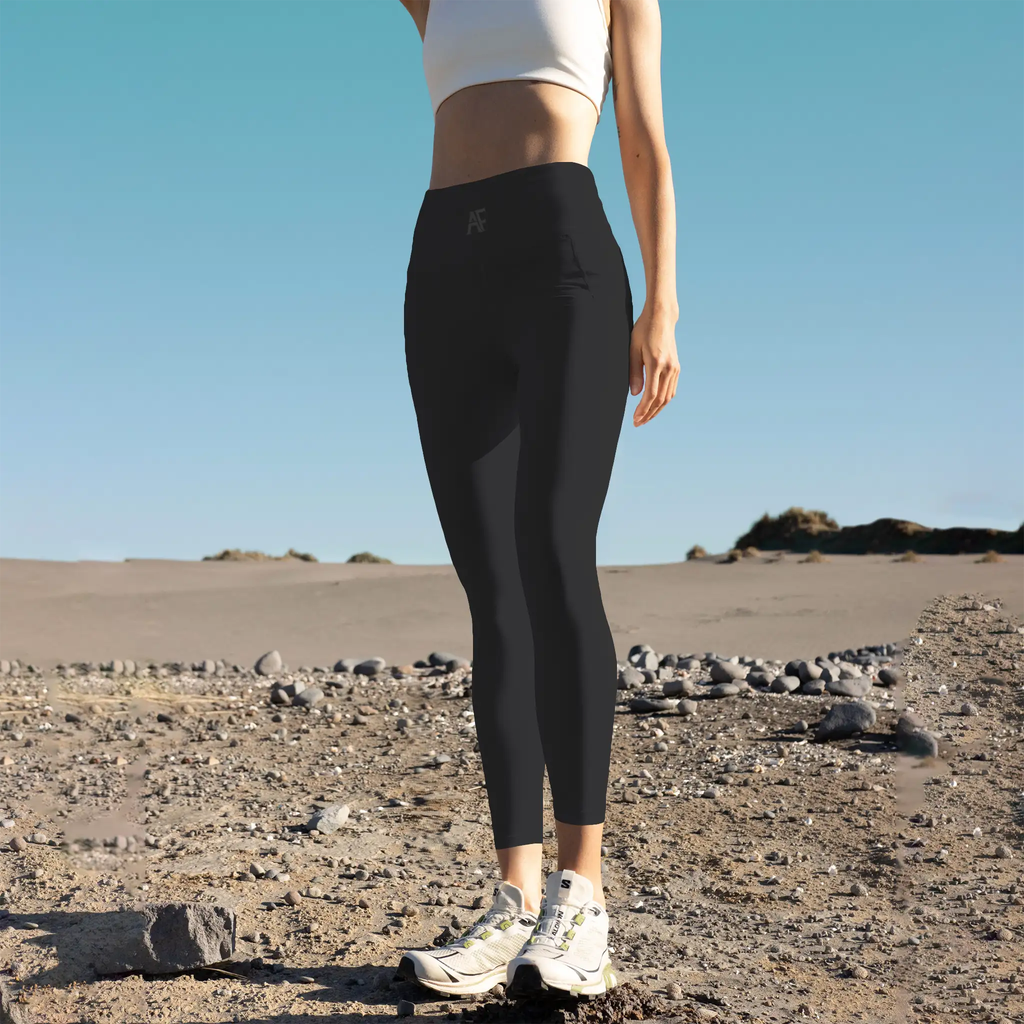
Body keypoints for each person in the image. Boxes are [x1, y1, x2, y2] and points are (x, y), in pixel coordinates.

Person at [395, 0, 679, 1000]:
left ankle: (580, 895)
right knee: (494, 595)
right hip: (443, 267)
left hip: (562, 259)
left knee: (554, 551)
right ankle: (512, 900)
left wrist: (663, 301)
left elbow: (641, 132)